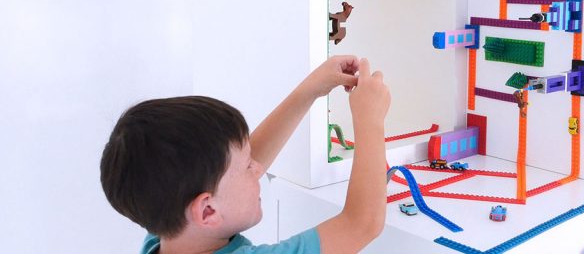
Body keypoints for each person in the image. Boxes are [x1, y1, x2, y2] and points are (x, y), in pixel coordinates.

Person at [100, 56, 390, 254]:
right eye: (248, 167)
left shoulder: (166, 230)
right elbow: (361, 223)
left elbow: (224, 170)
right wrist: (370, 119)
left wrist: (310, 90)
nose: (259, 168)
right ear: (207, 211)